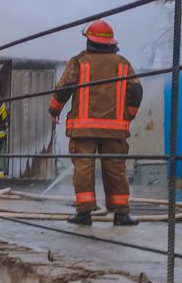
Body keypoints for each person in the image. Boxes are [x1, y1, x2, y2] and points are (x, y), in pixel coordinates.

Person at [49, 19, 143, 226]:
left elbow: (64, 88)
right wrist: (128, 115)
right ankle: (121, 214)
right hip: (115, 130)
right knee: (116, 168)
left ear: (89, 40)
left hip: (84, 129)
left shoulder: (79, 62)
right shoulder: (123, 63)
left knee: (83, 167)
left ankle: (84, 213)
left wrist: (54, 111)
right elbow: (136, 91)